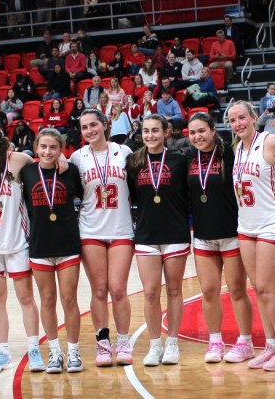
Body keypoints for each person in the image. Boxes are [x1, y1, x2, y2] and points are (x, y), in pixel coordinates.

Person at [0, 118, 47, 373]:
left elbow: (45, 169)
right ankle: (2, 352)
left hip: (17, 242)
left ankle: (34, 348)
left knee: (25, 297)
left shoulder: (20, 160)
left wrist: (61, 159)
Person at [226, 102, 275, 370]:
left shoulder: (271, 142)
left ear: (254, 117)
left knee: (269, 289)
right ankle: (271, 345)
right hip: (247, 226)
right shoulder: (237, 148)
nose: (238, 124)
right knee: (258, 289)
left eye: (242, 117)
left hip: (273, 224)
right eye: (233, 120)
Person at [184, 113, 255, 364]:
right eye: (192, 133)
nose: (197, 136)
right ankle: (215, 340)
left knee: (237, 290)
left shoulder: (231, 155)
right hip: (203, 235)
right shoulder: (188, 158)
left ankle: (246, 341)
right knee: (208, 291)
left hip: (231, 233)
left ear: (214, 131)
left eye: (202, 131)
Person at [69, 109, 135, 366]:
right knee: (99, 289)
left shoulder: (124, 152)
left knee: (118, 289)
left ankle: (123, 342)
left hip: (121, 229)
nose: (89, 131)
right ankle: (103, 343)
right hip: (90, 230)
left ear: (105, 124)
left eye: (93, 125)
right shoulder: (77, 157)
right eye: (84, 127)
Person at [125, 114, 191, 366]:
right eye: (146, 131)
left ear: (166, 133)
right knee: (151, 292)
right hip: (146, 234)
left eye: (155, 130)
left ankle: (172, 342)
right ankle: (155, 345)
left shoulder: (179, 160)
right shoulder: (134, 162)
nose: (150, 135)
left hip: (175, 232)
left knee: (174, 290)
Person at [21, 129, 85, 373]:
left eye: (53, 147)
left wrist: (64, 160)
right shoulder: (27, 172)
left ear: (61, 150)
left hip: (67, 244)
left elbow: (84, 197)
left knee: (69, 299)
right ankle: (55, 351)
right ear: (36, 148)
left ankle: (74, 351)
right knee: (47, 299)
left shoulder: (70, 171)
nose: (48, 152)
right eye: (43, 147)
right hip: (40, 245)